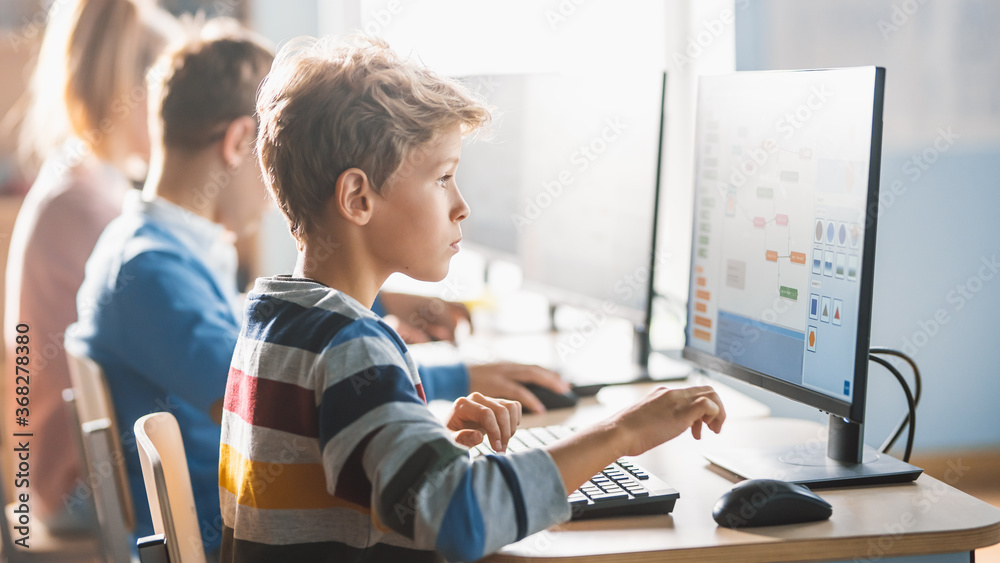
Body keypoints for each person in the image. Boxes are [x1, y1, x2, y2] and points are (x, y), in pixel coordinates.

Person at [219, 35, 726, 562]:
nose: (461, 206)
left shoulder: (276, 320)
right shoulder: (351, 346)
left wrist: (425, 444)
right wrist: (622, 432)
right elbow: (457, 519)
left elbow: (333, 487)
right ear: (358, 198)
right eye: (442, 179)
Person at [65, 19, 275, 553]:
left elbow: (250, 345)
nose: (279, 189)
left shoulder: (154, 248)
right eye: (278, 157)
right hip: (220, 531)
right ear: (237, 143)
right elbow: (266, 404)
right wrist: (448, 377)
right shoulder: (152, 271)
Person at [3, 0, 178, 533]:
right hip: (73, 488)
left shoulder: (81, 184)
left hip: (57, 477)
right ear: (136, 90)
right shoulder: (89, 205)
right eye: (170, 93)